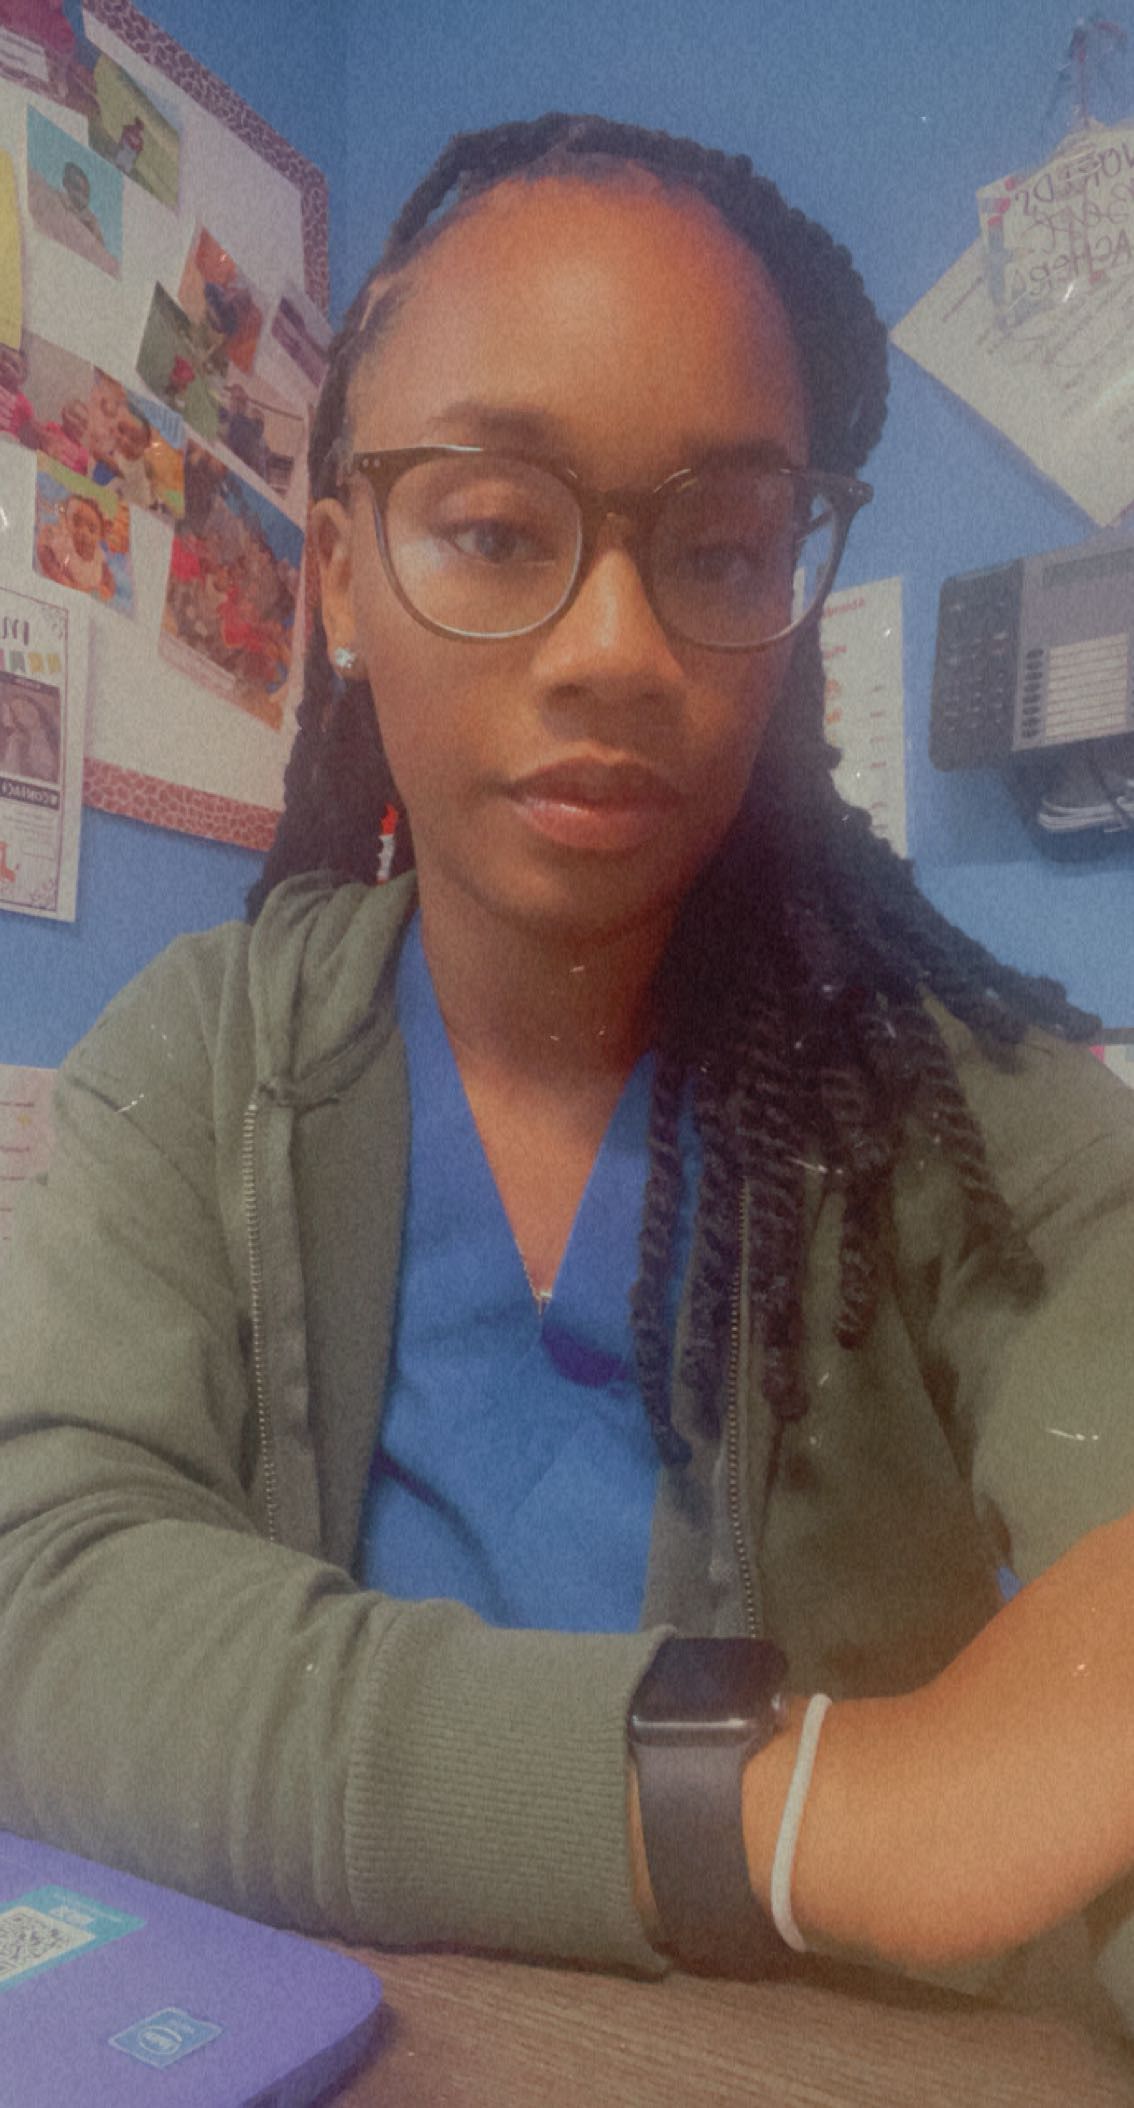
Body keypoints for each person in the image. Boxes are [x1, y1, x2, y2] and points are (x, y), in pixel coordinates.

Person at [2, 114, 1134, 2036]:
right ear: (340, 579)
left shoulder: (967, 1100)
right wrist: (793, 1806)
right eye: (494, 526)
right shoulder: (198, 1066)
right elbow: (45, 1609)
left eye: (718, 545)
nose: (613, 645)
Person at [35, 487, 114, 598]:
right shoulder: (62, 539)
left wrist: (107, 587)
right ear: (65, 519)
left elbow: (107, 574)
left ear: (100, 537)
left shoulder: (98, 557)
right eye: (76, 522)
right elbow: (44, 552)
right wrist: (59, 577)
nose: (83, 532)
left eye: (92, 529)